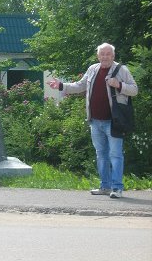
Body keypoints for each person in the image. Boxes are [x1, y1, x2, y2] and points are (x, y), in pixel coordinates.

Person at [48, 43, 138, 198]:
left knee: (115, 155)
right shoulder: (92, 69)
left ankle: (117, 188)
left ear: (113, 56)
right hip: (95, 121)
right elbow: (80, 85)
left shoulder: (121, 70)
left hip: (114, 121)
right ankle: (105, 186)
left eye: (108, 54)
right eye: (102, 54)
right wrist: (61, 85)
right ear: (98, 56)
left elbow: (134, 90)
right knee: (101, 154)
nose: (105, 57)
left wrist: (119, 85)